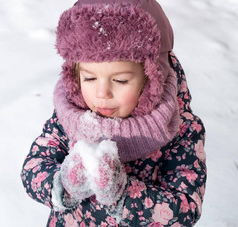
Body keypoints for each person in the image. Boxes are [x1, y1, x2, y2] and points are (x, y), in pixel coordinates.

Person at [20, 0, 206, 226]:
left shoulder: (178, 128)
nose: (102, 93)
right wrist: (64, 183)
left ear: (152, 78)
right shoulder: (70, 117)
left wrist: (123, 195)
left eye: (120, 80)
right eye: (89, 78)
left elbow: (186, 207)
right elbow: (33, 168)